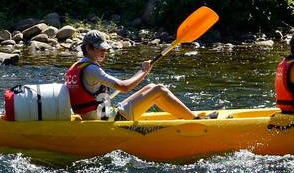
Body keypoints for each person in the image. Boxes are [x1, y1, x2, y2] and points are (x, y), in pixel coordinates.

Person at [65, 29, 199, 121]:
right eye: (100, 48)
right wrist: (143, 71)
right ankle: (196, 121)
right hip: (105, 119)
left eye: (105, 48)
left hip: (99, 114)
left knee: (151, 87)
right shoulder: (92, 69)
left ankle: (184, 117)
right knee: (159, 90)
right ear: (88, 48)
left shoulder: (75, 66)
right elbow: (124, 87)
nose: (104, 51)